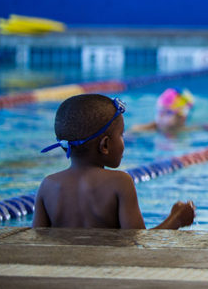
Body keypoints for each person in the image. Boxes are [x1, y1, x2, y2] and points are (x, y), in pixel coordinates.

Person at [34, 94, 195, 229]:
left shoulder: (48, 185)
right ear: (105, 145)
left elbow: (33, 241)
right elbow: (138, 243)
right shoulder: (120, 182)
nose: (124, 141)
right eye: (121, 135)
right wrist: (176, 219)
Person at [129, 88, 194, 135]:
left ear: (182, 117)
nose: (161, 117)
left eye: (168, 113)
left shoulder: (189, 131)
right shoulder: (146, 129)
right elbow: (134, 129)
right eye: (160, 111)